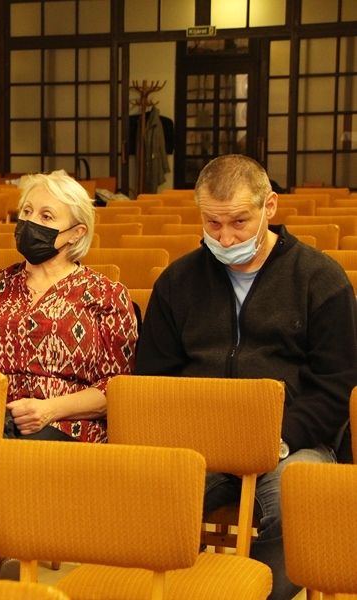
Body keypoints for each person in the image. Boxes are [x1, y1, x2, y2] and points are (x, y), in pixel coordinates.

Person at [135, 154, 357, 600]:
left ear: (269, 206)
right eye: (212, 223)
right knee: (143, 500)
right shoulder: (178, 282)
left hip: (291, 443)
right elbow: (153, 378)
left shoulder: (320, 279)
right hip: (199, 443)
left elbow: (336, 385)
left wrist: (276, 439)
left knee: (298, 503)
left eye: (239, 222)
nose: (225, 237)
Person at [0, 169, 138, 442]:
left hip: (66, 428)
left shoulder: (105, 295)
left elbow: (117, 389)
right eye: (26, 212)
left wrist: (48, 410)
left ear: (76, 233)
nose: (30, 222)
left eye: (46, 216)